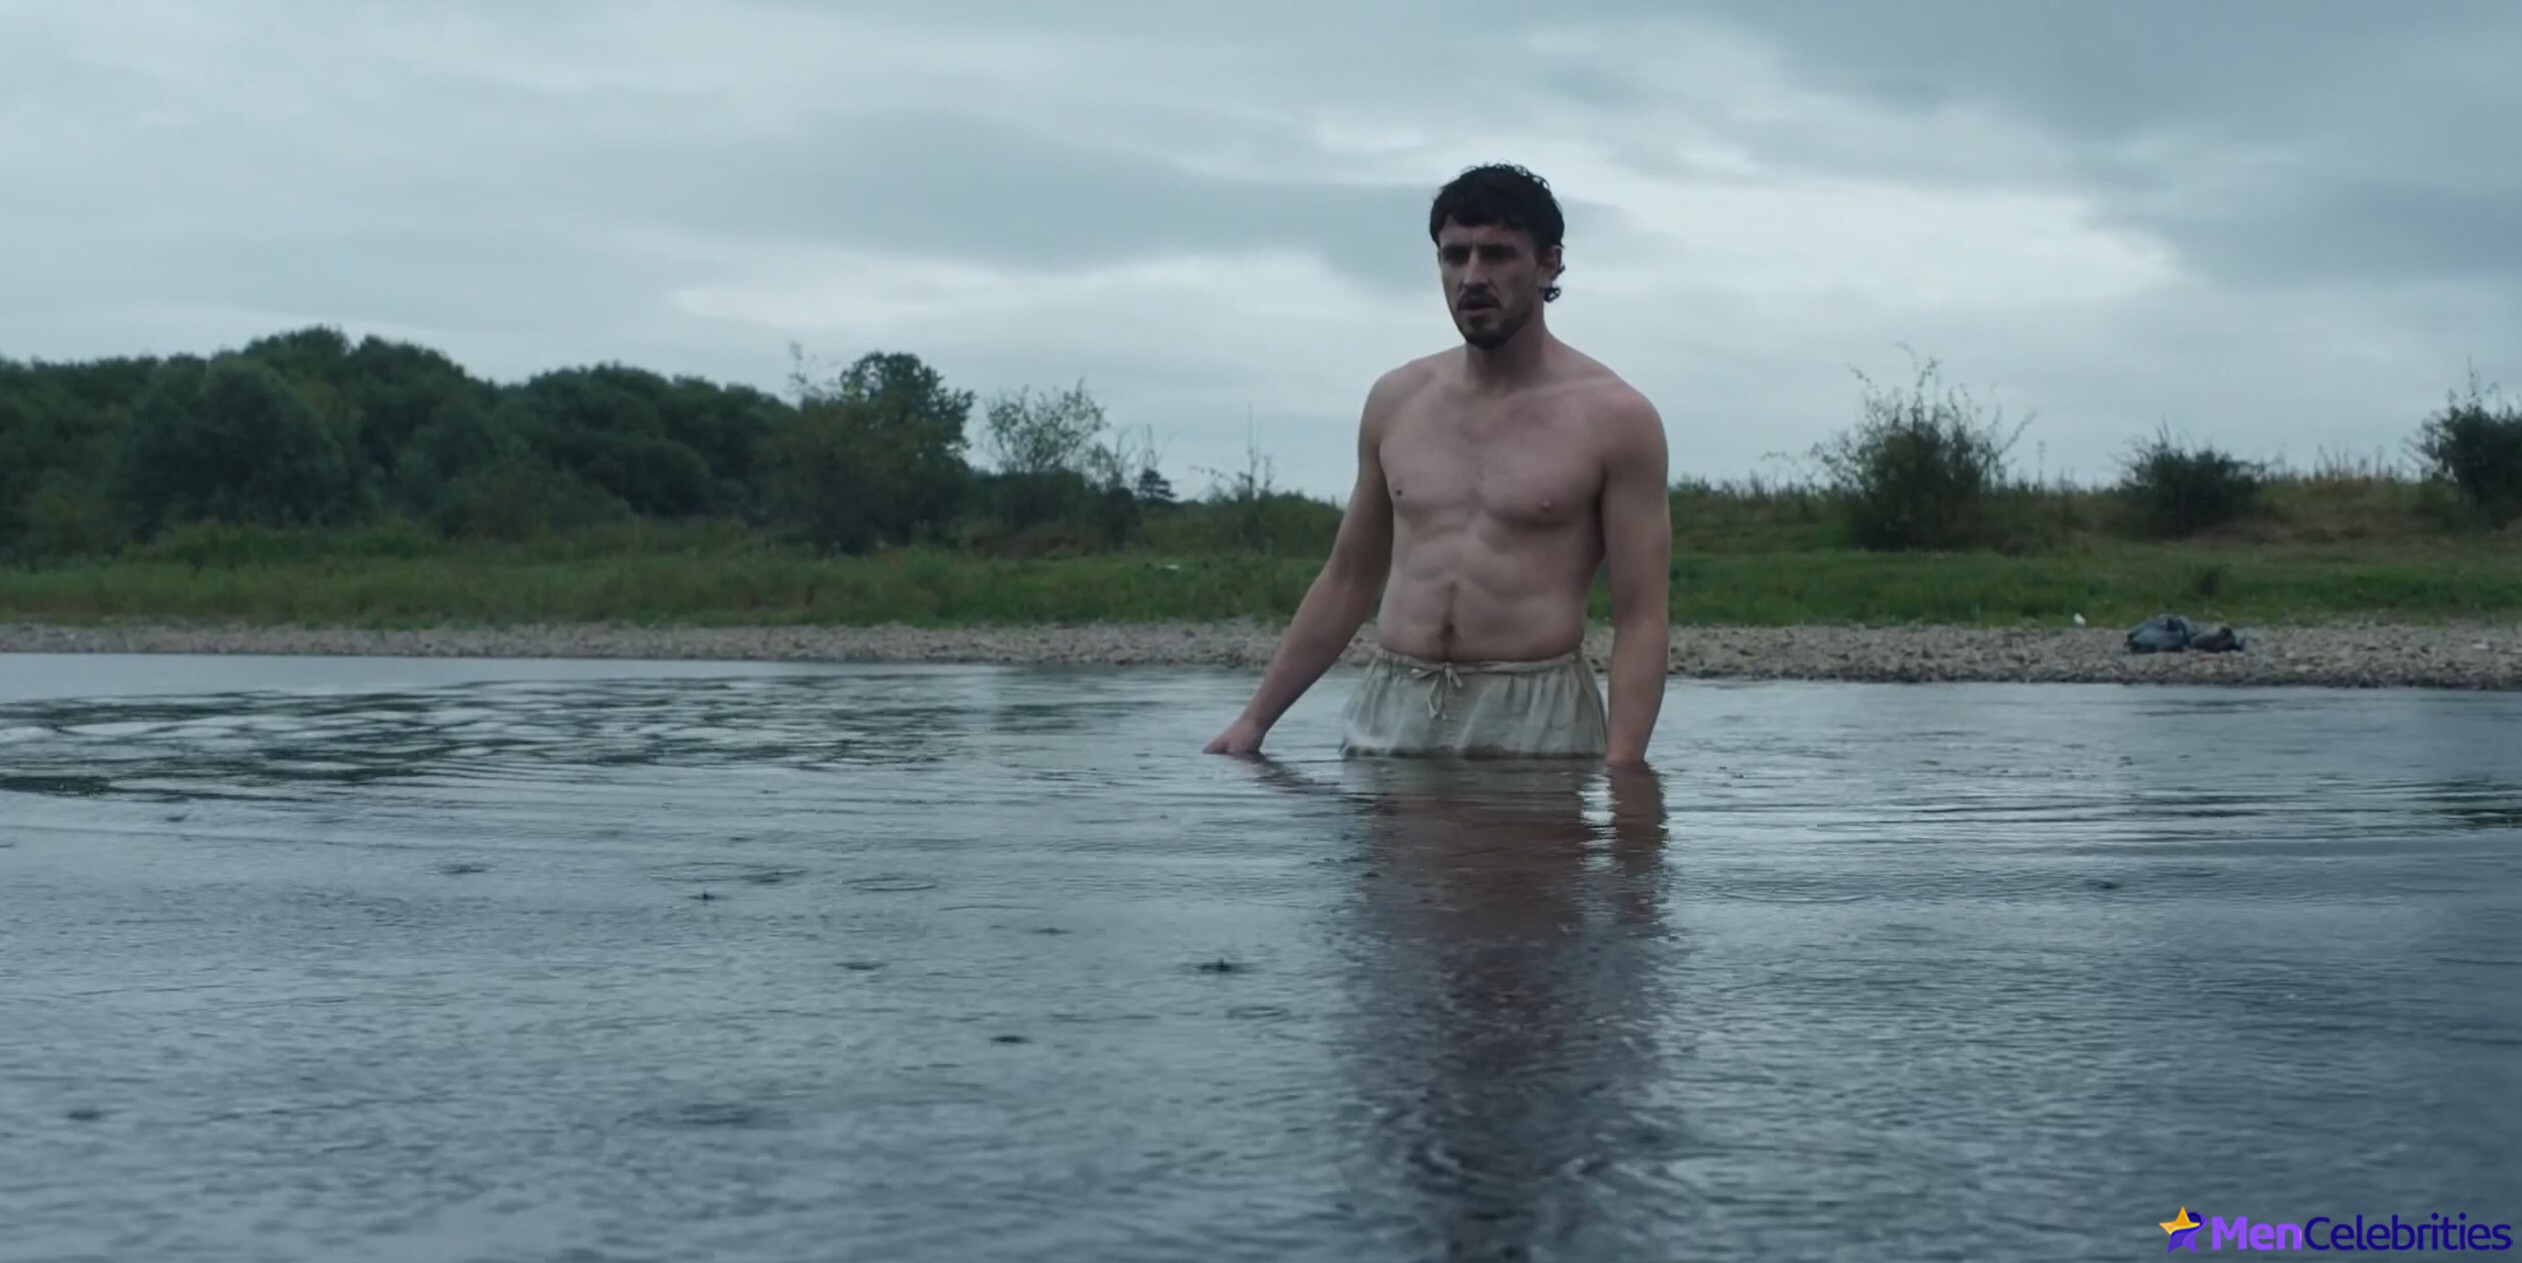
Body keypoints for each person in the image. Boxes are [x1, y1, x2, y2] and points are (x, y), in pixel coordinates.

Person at [1203, 163, 1671, 765]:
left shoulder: (1615, 418)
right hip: (1395, 702)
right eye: (1455, 256)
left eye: (1497, 255)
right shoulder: (1398, 400)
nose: (1472, 276)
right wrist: (1254, 721)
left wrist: (1625, 769)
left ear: (1548, 265)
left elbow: (1641, 617)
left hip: (1535, 712)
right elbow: (1349, 577)